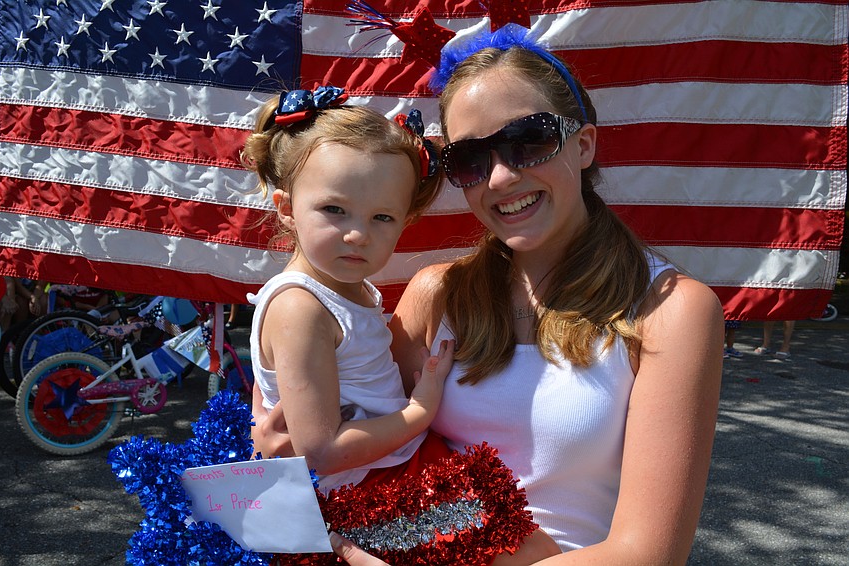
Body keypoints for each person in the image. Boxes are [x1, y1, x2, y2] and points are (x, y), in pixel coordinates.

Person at [328, 25, 724, 565]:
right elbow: (362, 451)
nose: (498, 178)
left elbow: (650, 554)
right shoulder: (435, 296)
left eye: (528, 142)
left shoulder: (671, 310)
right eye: (469, 159)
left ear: (582, 145)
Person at [244, 86, 556, 564]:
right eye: (334, 210)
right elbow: (322, 450)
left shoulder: (345, 289)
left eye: (382, 217)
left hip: (390, 466)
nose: (357, 233)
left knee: (528, 549)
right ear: (287, 209)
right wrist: (419, 412)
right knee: (526, 553)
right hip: (368, 490)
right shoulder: (300, 307)